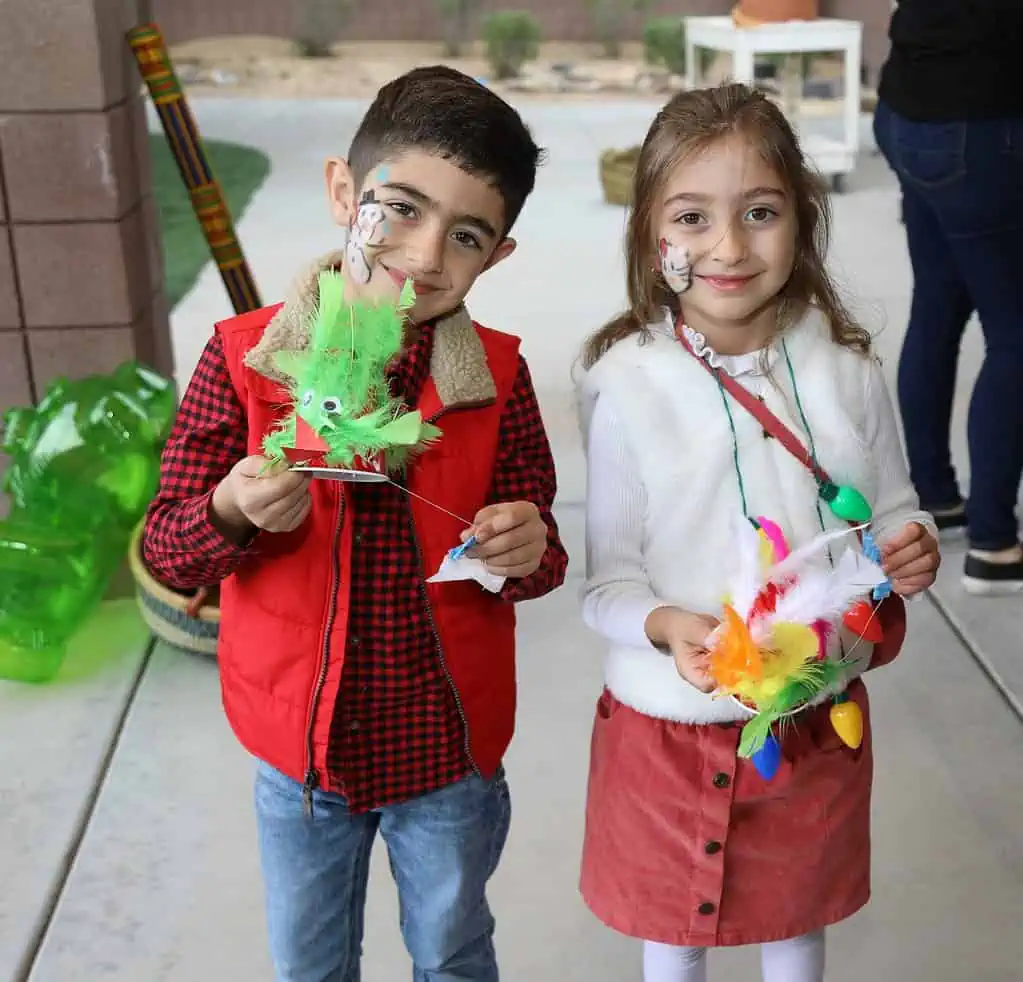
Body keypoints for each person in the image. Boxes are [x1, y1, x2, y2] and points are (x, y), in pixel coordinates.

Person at [143, 66, 568, 982]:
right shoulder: (244, 361)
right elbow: (165, 546)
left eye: (464, 235)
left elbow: (540, 554)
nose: (421, 257)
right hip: (301, 756)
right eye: (400, 210)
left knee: (451, 949)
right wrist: (230, 509)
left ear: (496, 257)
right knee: (309, 961)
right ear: (343, 191)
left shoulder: (494, 380)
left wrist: (522, 548)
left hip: (445, 751)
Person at [574, 84, 940, 982]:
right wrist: (668, 628)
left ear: (802, 221)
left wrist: (911, 546)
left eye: (760, 212)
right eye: (691, 217)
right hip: (666, 726)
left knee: (793, 916)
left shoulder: (847, 370)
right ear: (649, 239)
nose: (729, 248)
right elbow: (606, 587)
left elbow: (894, 511)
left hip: (812, 711)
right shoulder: (623, 383)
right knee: (672, 931)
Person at [874, 0, 1023, 594]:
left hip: (910, 112)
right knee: (1015, 335)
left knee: (938, 303)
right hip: (982, 126)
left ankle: (936, 497)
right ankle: (994, 544)